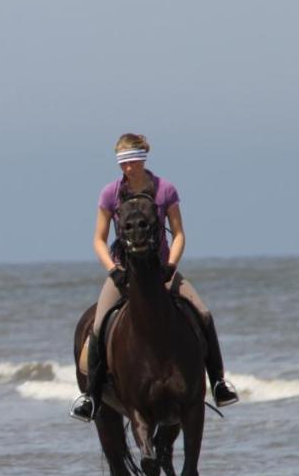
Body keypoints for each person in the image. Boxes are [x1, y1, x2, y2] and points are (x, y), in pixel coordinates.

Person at [71, 133, 238, 422]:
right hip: (124, 272)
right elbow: (98, 239)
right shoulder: (109, 194)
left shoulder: (165, 190)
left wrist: (171, 265)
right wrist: (113, 269)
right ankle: (91, 396)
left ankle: (219, 382)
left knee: (203, 313)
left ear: (143, 158)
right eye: (122, 162)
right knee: (98, 325)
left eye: (132, 160)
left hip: (161, 270)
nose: (128, 167)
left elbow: (180, 233)